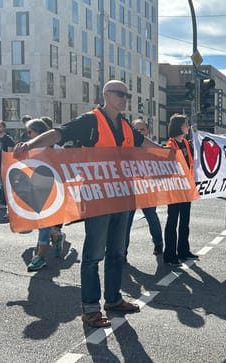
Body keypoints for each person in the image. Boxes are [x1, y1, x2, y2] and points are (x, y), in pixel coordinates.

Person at [13, 80, 164, 328]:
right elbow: (59, 133)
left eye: (127, 94)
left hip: (123, 196)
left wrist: (166, 152)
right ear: (106, 95)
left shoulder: (125, 124)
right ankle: (90, 309)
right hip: (97, 197)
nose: (125, 98)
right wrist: (29, 144)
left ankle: (113, 300)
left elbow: (142, 142)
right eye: (120, 94)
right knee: (94, 255)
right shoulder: (90, 120)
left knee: (117, 253)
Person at [22, 118, 65, 272]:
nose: (28, 135)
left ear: (39, 132)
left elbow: (64, 169)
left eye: (30, 131)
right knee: (40, 223)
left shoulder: (56, 148)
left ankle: (40, 257)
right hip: (36, 189)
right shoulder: (30, 149)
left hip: (52, 190)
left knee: (43, 223)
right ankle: (56, 236)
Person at [124, 117, 164, 258]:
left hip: (147, 190)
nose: (140, 132)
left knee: (152, 217)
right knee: (126, 222)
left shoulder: (154, 148)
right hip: (131, 190)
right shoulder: (126, 149)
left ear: (147, 130)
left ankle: (159, 245)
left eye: (143, 129)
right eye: (137, 130)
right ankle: (122, 252)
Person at [164, 114, 198, 267]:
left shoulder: (185, 142)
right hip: (175, 189)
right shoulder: (171, 144)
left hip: (186, 188)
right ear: (179, 126)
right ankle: (170, 254)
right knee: (172, 221)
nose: (188, 126)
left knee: (185, 221)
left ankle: (183, 250)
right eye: (186, 124)